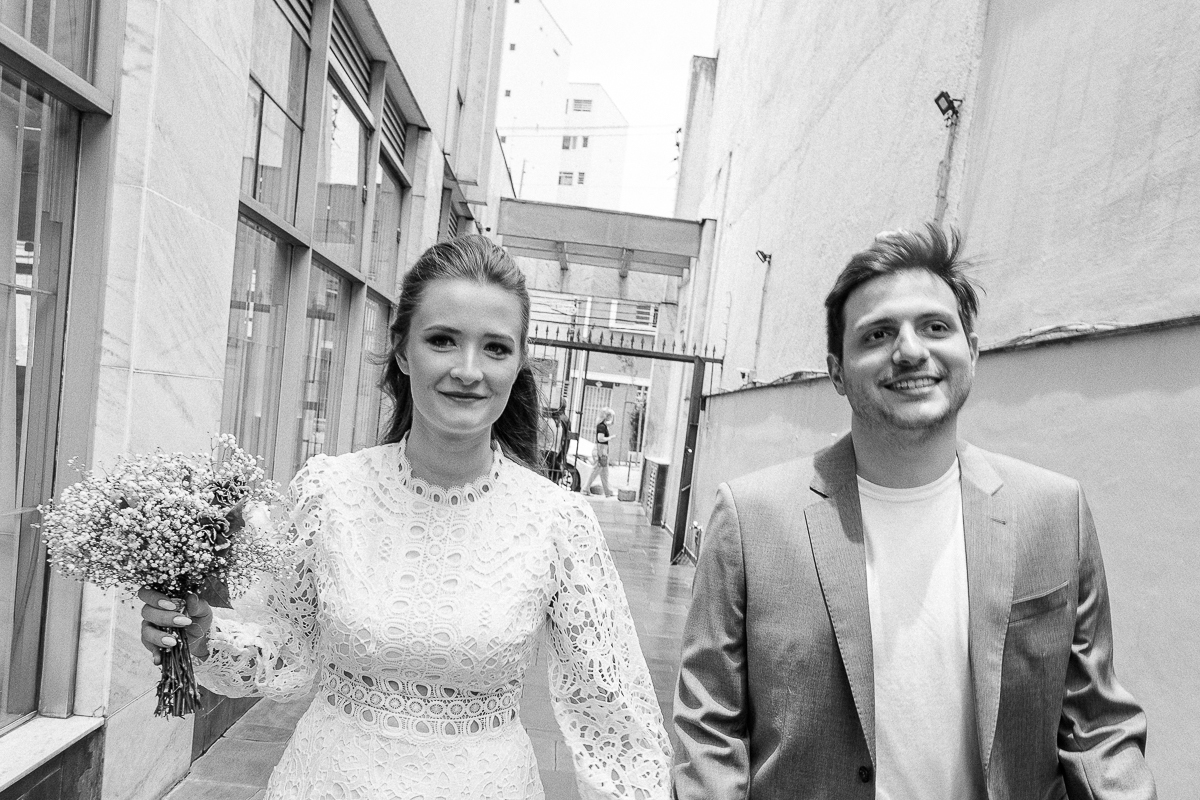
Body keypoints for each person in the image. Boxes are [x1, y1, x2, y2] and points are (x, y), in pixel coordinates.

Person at [138, 236, 671, 799]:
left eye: (495, 348)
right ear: (401, 351)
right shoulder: (327, 493)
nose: (468, 370)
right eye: (443, 340)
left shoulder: (559, 522)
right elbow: (286, 651)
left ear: (518, 365)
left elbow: (617, 722)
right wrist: (203, 637)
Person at [672, 225, 1155, 799]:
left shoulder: (1054, 512)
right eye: (878, 334)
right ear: (836, 372)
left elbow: (1096, 726)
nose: (910, 351)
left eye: (935, 327)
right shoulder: (751, 520)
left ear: (972, 352)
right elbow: (709, 730)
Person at [582, 407, 615, 497]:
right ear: (606, 416)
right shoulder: (601, 426)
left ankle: (608, 491)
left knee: (604, 472)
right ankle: (585, 488)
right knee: (596, 471)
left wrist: (613, 415)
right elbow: (600, 439)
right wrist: (610, 438)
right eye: (610, 416)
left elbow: (612, 423)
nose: (611, 418)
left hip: (601, 450)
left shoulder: (603, 425)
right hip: (600, 450)